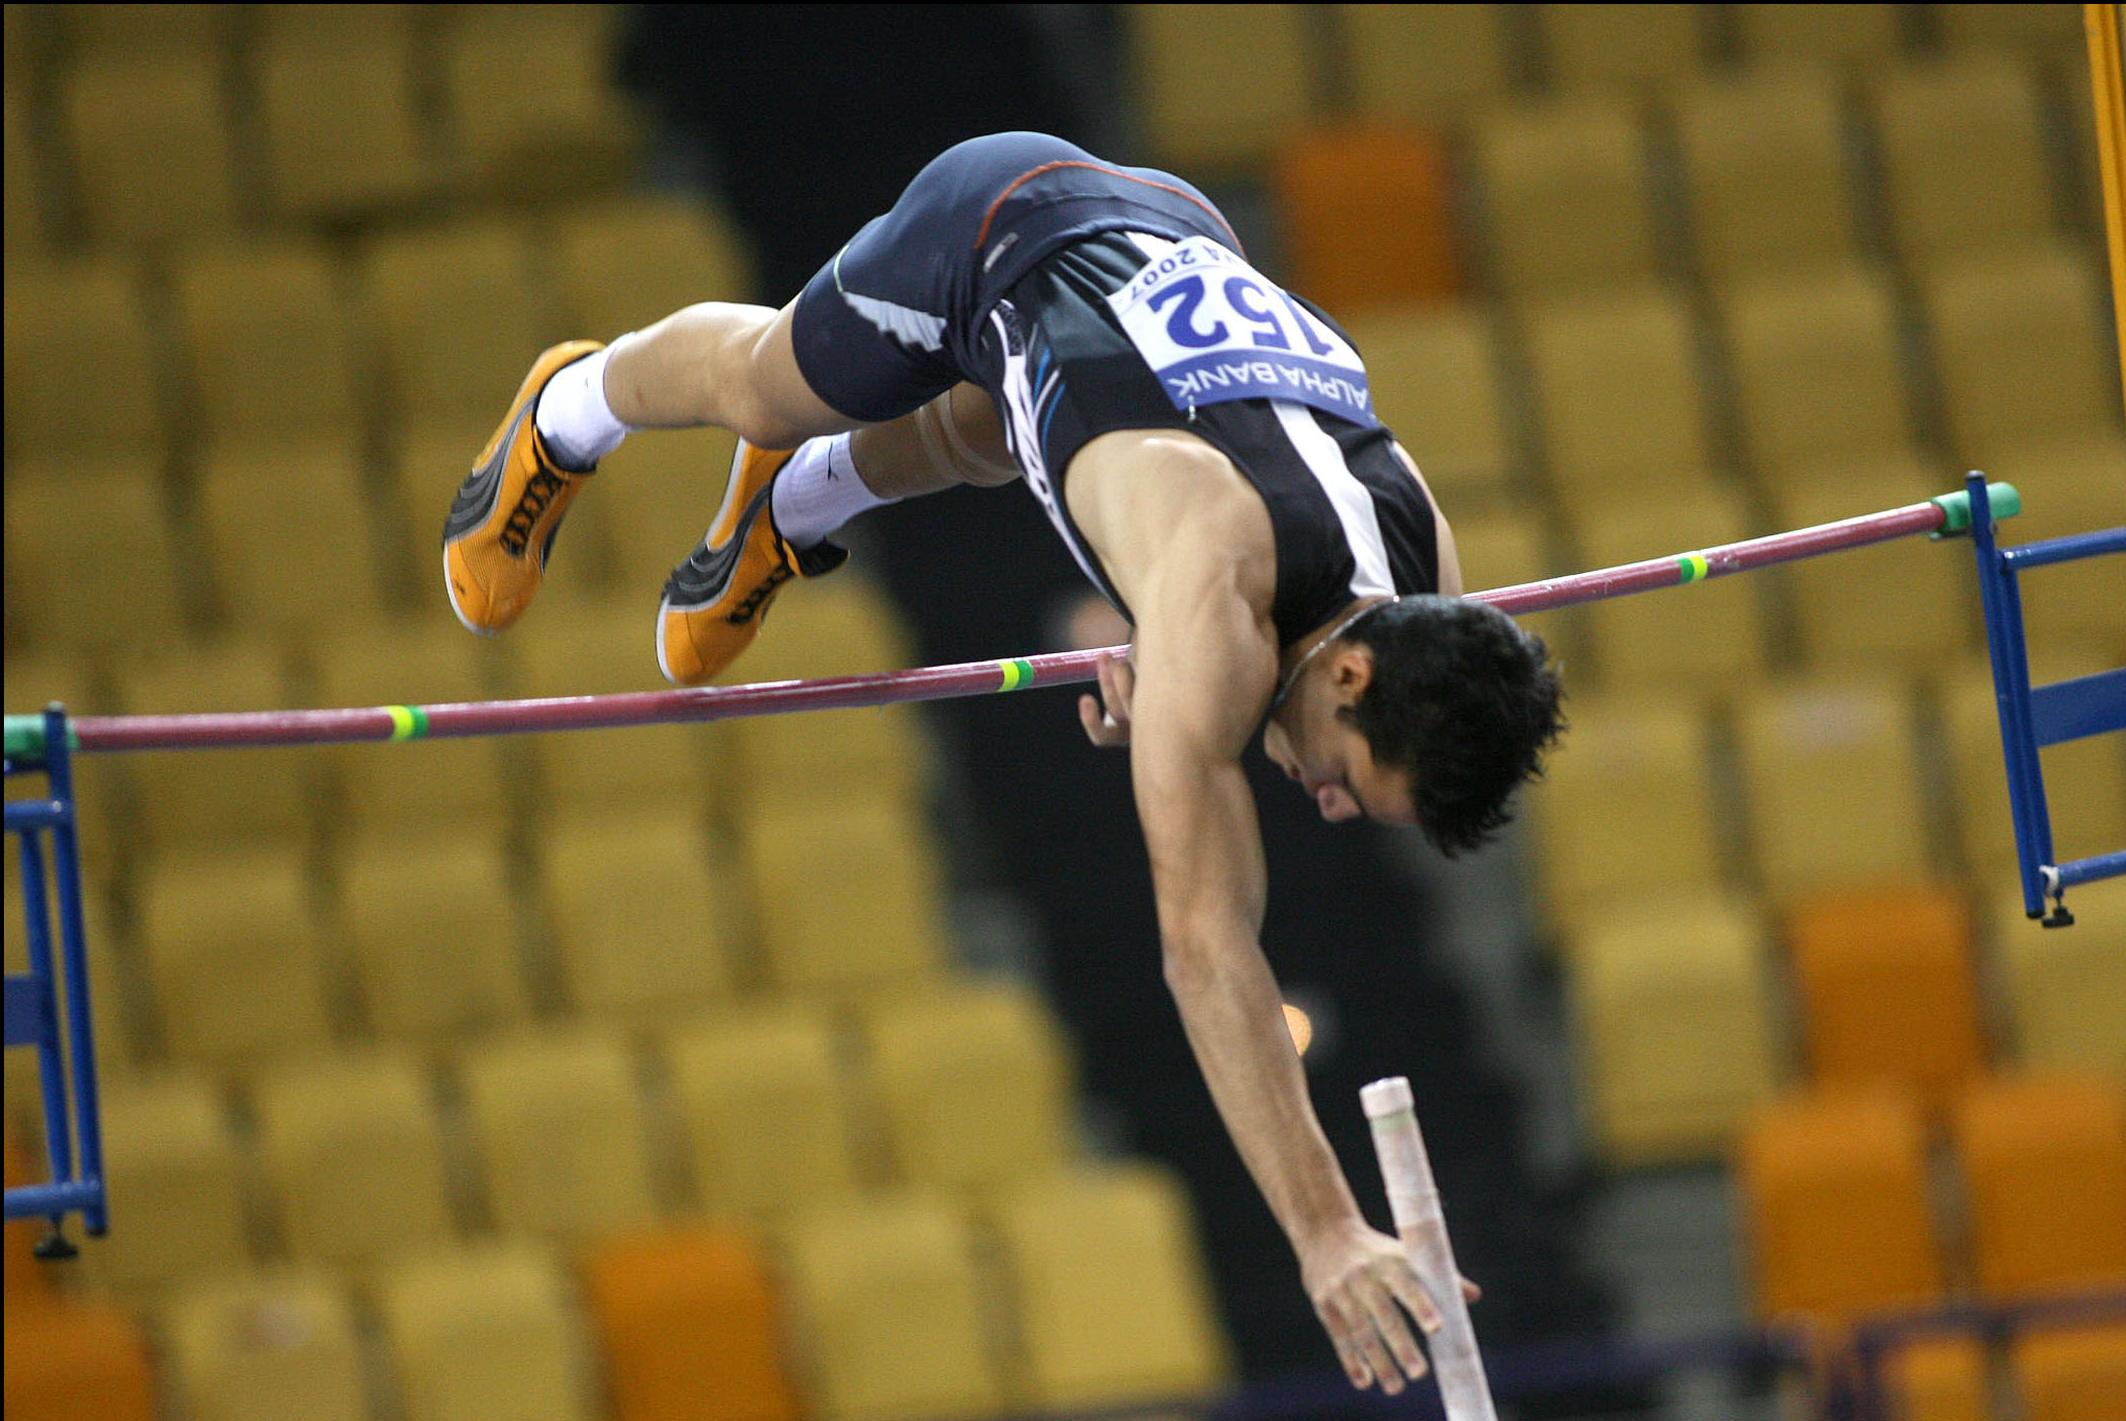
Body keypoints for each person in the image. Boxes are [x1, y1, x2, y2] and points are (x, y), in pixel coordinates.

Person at [442, 131, 1562, 1397]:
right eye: (1352, 780)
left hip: (1167, 263)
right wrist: (1322, 1230)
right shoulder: (1218, 587)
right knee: (772, 383)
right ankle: (570, 407)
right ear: (1350, 674)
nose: (1329, 802)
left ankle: (791, 507)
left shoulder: (1426, 591)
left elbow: (1254, 569)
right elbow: (1206, 944)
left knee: (984, 430)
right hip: (1004, 224)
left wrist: (1161, 640)